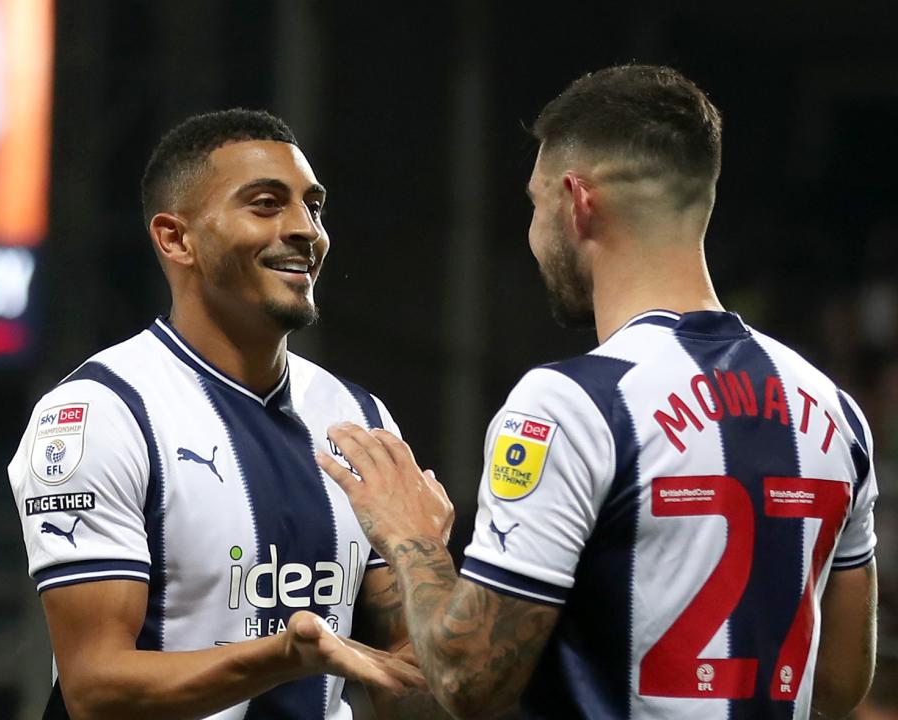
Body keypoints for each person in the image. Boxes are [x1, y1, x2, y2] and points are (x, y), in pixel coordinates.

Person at [318, 64, 879, 720]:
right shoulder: (834, 411)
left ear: (576, 200)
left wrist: (409, 535)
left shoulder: (573, 404)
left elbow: (471, 681)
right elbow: (839, 681)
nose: (533, 233)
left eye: (534, 204)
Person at [8, 109, 431, 719]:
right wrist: (284, 656)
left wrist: (426, 558)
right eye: (265, 204)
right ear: (176, 238)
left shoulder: (360, 419)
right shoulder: (99, 414)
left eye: (313, 207)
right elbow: (94, 687)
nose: (305, 230)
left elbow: (410, 690)